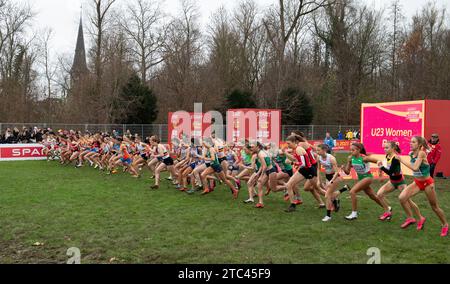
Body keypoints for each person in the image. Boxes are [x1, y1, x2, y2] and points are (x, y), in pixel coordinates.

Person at [396, 136, 448, 237]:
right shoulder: (412, 154)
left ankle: (445, 224)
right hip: (417, 182)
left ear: (419, 144)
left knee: (434, 207)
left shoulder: (421, 153)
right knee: (402, 198)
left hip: (428, 183)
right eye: (410, 142)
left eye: (413, 142)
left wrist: (401, 160)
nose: (411, 144)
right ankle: (418, 218)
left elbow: (415, 168)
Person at [376, 141, 423, 223]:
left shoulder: (395, 158)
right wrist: (380, 171)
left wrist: (381, 167)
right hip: (392, 181)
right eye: (384, 148)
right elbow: (388, 168)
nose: (385, 149)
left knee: (408, 201)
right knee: (379, 194)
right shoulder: (388, 155)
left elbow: (390, 172)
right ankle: (387, 211)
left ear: (393, 148)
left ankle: (420, 217)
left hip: (400, 182)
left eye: (387, 148)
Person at [343, 143, 386, 221]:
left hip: (368, 177)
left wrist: (381, 175)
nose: (351, 152)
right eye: (350, 150)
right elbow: (347, 172)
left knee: (352, 191)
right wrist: (344, 167)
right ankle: (387, 209)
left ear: (359, 150)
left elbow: (379, 161)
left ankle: (354, 214)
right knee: (372, 196)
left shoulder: (364, 158)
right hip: (361, 178)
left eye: (353, 150)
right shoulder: (350, 158)